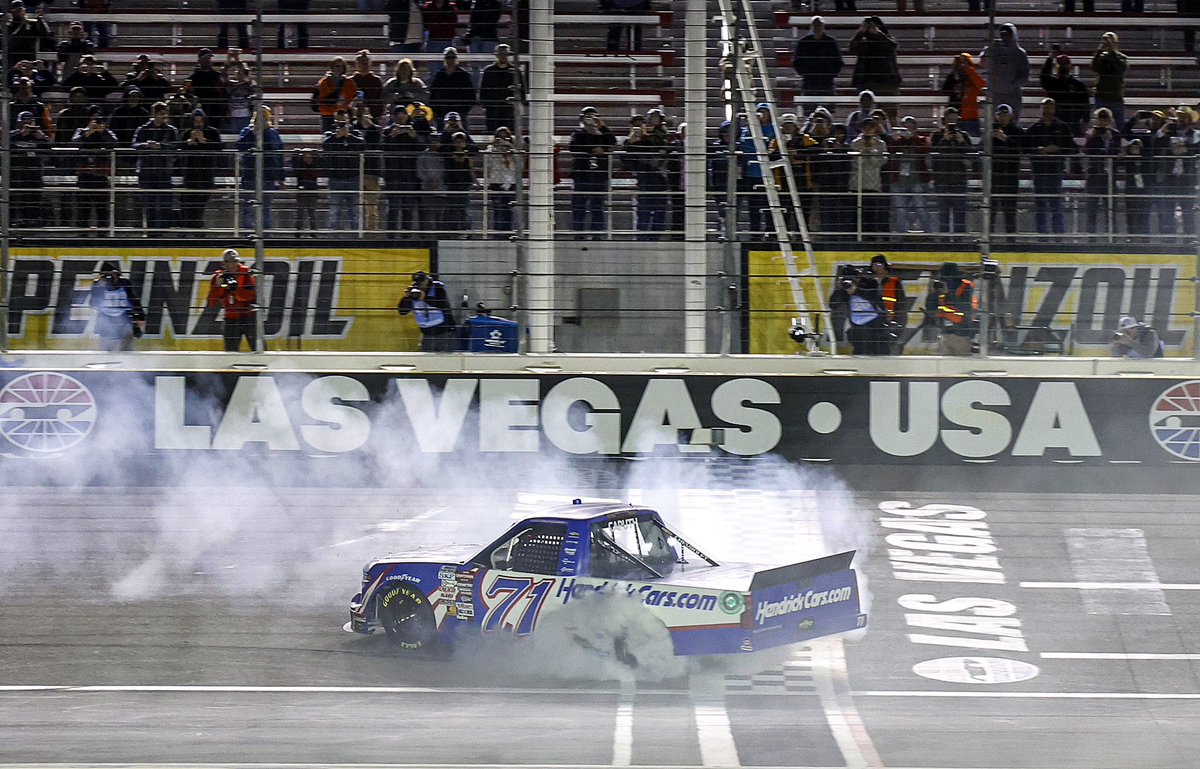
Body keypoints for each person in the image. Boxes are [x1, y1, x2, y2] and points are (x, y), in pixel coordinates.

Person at [1024, 97, 1077, 234]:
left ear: (1055, 108)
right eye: (1044, 107)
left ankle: (1059, 236)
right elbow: (1024, 147)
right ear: (1040, 109)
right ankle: (1042, 236)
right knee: (1040, 206)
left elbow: (1072, 147)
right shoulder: (1034, 128)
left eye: (1050, 107)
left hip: (1055, 171)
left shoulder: (1062, 127)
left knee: (1056, 206)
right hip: (1039, 172)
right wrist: (1038, 150)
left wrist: (1057, 149)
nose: (1047, 110)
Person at [569, 106, 617, 237]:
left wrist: (602, 126)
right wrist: (592, 150)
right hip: (582, 174)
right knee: (579, 206)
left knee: (598, 206)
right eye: (588, 116)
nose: (591, 119)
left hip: (599, 175)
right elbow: (573, 147)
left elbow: (613, 142)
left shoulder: (603, 133)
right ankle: (578, 234)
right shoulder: (578, 133)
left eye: (593, 116)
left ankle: (597, 234)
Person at [131, 101, 179, 233]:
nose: (164, 116)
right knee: (149, 204)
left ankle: (162, 231)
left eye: (165, 113)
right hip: (147, 172)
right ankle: (151, 231)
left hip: (164, 172)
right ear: (154, 114)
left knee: (165, 203)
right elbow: (135, 145)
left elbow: (175, 146)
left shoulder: (171, 130)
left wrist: (161, 146)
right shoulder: (143, 129)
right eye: (161, 113)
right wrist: (147, 145)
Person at [71, 109, 118, 230]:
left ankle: (103, 233)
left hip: (100, 174)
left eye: (99, 119)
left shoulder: (106, 132)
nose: (96, 122)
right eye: (94, 119)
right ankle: (82, 233)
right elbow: (74, 142)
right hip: (85, 173)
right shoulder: (81, 131)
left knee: (102, 207)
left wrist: (103, 132)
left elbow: (114, 143)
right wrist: (88, 132)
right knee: (83, 206)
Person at [929, 107, 973, 233]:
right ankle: (944, 241)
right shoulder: (937, 135)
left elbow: (971, 156)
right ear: (944, 121)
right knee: (943, 213)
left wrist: (962, 142)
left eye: (955, 120)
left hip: (959, 180)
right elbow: (933, 155)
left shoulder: (963, 135)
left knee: (960, 213)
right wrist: (944, 140)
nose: (952, 123)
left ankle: (959, 241)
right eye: (950, 120)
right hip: (942, 180)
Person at [829, 265, 891, 355]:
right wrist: (840, 289)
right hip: (859, 329)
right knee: (860, 356)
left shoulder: (869, 283)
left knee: (882, 356)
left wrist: (857, 290)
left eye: (852, 278)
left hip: (876, 326)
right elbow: (833, 305)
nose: (850, 281)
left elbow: (875, 297)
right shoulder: (844, 289)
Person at [322, 110, 367, 231]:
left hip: (353, 178)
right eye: (339, 120)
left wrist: (349, 136)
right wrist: (337, 136)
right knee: (334, 212)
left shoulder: (356, 132)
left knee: (355, 212)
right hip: (335, 179)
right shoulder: (329, 134)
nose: (341, 123)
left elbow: (362, 145)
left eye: (344, 120)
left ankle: (355, 241)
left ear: (348, 120)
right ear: (335, 121)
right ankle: (333, 241)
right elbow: (325, 145)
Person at [207, 248, 257, 352]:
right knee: (230, 353)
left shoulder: (246, 273)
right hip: (230, 318)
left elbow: (252, 296)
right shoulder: (218, 276)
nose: (234, 264)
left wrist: (235, 291)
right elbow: (212, 302)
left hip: (248, 317)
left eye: (236, 261)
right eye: (230, 262)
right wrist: (218, 286)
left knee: (258, 348)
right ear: (224, 263)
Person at [89, 261, 145, 351]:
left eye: (112, 275)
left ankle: (127, 362)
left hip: (124, 318)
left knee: (127, 341)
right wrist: (99, 288)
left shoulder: (125, 283)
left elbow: (134, 300)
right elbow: (93, 304)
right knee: (107, 348)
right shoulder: (98, 285)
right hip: (106, 319)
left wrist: (140, 316)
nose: (110, 279)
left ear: (117, 274)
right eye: (106, 276)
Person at [397, 270, 458, 351]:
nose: (420, 286)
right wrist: (406, 298)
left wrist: (425, 298)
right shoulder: (414, 291)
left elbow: (442, 304)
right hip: (427, 334)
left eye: (421, 283)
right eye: (418, 284)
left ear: (426, 280)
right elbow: (402, 311)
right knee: (426, 361)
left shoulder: (437, 287)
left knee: (446, 360)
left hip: (444, 333)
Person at [980, 23, 1029, 121]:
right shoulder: (994, 49)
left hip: (1013, 95)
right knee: (994, 123)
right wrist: (990, 47)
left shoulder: (1020, 53)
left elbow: (1024, 76)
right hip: (996, 94)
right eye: (1002, 34)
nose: (1004, 37)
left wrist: (1012, 85)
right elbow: (983, 62)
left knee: (1012, 122)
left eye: (1007, 35)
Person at [891, 115, 931, 233]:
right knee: (901, 210)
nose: (908, 130)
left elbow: (924, 151)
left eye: (910, 127)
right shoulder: (896, 140)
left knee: (921, 208)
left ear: (915, 128)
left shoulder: (922, 139)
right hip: (899, 181)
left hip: (917, 181)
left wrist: (913, 138)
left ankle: (928, 234)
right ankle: (900, 235)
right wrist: (900, 139)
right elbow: (892, 151)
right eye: (905, 127)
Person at [791, 16, 843, 104]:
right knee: (809, 110)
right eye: (815, 25)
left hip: (827, 82)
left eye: (819, 25)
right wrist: (805, 73)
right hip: (809, 82)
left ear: (823, 27)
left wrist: (831, 74)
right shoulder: (804, 42)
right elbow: (797, 61)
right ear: (811, 27)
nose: (817, 28)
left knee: (828, 110)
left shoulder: (831, 42)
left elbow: (838, 61)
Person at [990, 104, 1024, 234]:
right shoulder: (990, 130)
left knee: (1010, 211)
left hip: (1010, 176)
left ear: (1011, 116)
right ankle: (989, 239)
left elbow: (1021, 149)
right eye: (1000, 115)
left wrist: (1005, 139)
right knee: (990, 210)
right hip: (994, 176)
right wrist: (990, 137)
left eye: (1005, 115)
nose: (1003, 117)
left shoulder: (1017, 131)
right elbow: (981, 148)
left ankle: (1011, 241)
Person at [849, 16, 901, 103]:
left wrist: (878, 34)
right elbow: (852, 48)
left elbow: (892, 47)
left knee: (888, 109)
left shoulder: (886, 39)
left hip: (886, 81)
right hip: (866, 80)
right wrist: (860, 33)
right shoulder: (862, 41)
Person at [1040, 50, 1090, 136]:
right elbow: (1043, 76)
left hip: (1073, 121)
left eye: (1065, 64)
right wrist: (1050, 59)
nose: (1063, 67)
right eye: (1060, 65)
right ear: (1056, 67)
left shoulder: (1078, 85)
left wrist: (1085, 120)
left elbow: (1085, 103)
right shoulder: (1052, 83)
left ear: (1070, 66)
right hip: (1055, 121)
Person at [930, 262, 974, 355]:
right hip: (945, 332)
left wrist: (947, 293)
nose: (944, 281)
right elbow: (931, 307)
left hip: (960, 333)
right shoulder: (942, 289)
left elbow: (963, 307)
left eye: (945, 279)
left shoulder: (964, 286)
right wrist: (935, 292)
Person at [479, 44, 525, 134]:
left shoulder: (516, 71)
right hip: (493, 111)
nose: (503, 56)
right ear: (496, 55)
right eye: (501, 53)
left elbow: (522, 91)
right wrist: (487, 106)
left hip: (510, 112)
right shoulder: (488, 71)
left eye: (506, 54)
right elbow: (483, 91)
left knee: (510, 136)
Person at [428, 46, 476, 131]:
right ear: (444, 59)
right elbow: (433, 94)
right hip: (442, 115)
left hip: (460, 115)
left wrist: (463, 112)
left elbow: (471, 95)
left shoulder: (464, 75)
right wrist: (437, 111)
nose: (450, 60)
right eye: (448, 57)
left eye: (453, 57)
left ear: (457, 59)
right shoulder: (439, 75)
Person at [941, 53, 985, 136]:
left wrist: (968, 69)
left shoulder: (972, 77)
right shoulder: (953, 76)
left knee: (974, 143)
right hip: (955, 118)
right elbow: (944, 89)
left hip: (971, 118)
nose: (961, 65)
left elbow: (982, 86)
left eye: (964, 62)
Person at [1091, 32, 1128, 127]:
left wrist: (1112, 52)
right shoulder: (1101, 57)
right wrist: (1099, 51)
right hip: (1101, 96)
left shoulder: (1122, 58)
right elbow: (1094, 67)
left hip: (1116, 96)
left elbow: (1120, 68)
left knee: (1120, 125)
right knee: (1100, 124)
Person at [869, 253, 908, 333]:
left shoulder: (894, 282)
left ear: (885, 266)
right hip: (872, 323)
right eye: (874, 264)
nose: (877, 267)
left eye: (879, 264)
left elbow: (901, 303)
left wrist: (900, 323)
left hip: (889, 322)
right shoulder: (868, 282)